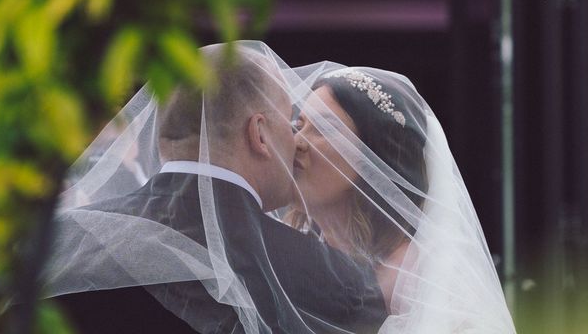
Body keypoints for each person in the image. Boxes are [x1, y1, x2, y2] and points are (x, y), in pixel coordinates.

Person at [43, 42, 385, 334]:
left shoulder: (62, 241)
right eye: (290, 123)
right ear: (260, 134)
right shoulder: (336, 283)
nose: (295, 142)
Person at [287, 65, 517, 333]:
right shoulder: (289, 253)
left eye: (324, 128)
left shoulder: (426, 280)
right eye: (299, 125)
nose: (297, 142)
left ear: (375, 160)